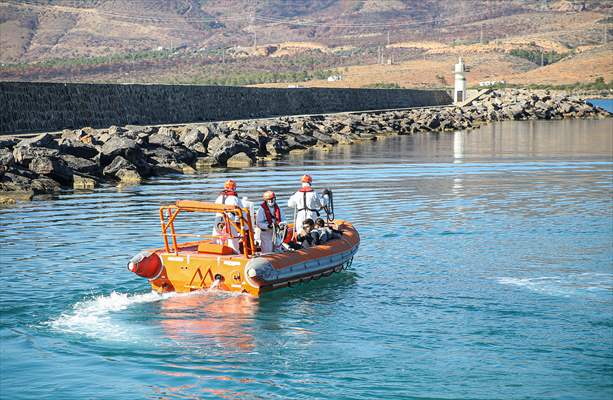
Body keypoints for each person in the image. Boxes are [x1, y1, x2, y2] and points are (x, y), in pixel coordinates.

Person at [213, 179, 244, 253]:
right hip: (229, 221)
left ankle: (216, 252)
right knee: (233, 240)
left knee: (216, 238)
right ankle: (235, 254)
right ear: (234, 188)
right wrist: (244, 227)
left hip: (218, 221)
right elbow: (242, 213)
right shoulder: (235, 198)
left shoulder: (219, 197)